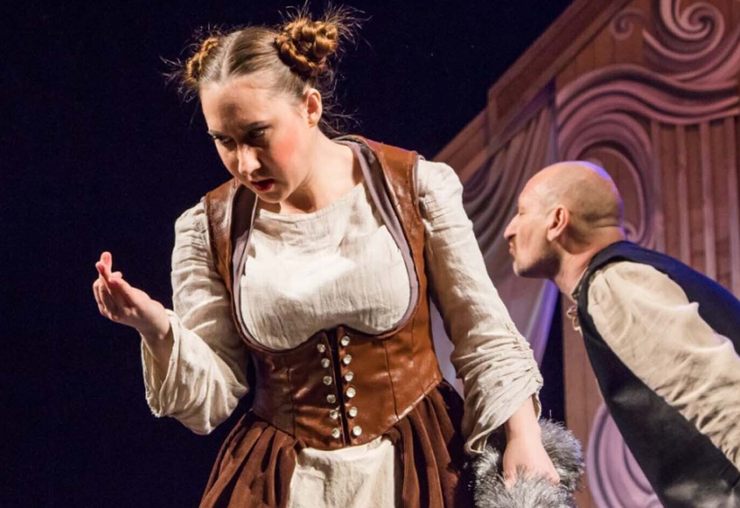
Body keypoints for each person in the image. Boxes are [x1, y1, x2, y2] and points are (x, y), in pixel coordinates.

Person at [92, 7, 562, 507]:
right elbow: (208, 398)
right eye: (224, 142)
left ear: (310, 107)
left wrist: (524, 436)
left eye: (257, 134)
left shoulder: (413, 188)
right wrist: (155, 327)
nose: (244, 163)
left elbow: (481, 327)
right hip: (285, 482)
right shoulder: (209, 229)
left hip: (416, 467)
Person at [503, 160, 740, 507]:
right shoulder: (624, 277)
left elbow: (718, 391)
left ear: (557, 222)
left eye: (522, 212)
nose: (509, 230)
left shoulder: (613, 283)